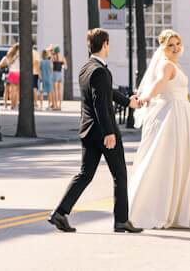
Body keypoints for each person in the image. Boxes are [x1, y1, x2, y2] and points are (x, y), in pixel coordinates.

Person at [50, 27, 142, 235]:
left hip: (88, 130)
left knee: (85, 174)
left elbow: (107, 92)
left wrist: (128, 102)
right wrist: (109, 132)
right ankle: (121, 220)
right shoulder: (100, 71)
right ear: (105, 44)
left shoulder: (86, 68)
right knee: (120, 175)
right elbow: (101, 103)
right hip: (103, 131)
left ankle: (60, 213)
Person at [127, 28, 190, 230]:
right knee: (167, 160)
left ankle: (177, 211)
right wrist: (146, 98)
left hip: (181, 113)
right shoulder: (167, 65)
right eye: (170, 45)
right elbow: (159, 83)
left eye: (177, 44)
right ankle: (157, 210)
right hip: (171, 114)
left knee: (181, 160)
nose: (175, 48)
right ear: (163, 47)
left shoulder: (174, 64)